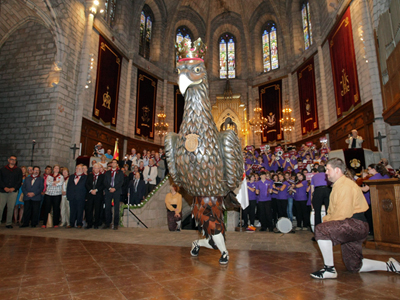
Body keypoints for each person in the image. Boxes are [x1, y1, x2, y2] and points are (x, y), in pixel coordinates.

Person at [311, 158, 400, 279]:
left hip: (355, 223)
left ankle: (329, 269)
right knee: (354, 265)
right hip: (355, 224)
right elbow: (333, 211)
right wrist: (327, 220)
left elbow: (342, 213)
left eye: (328, 169)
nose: (326, 172)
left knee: (321, 230)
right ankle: (389, 266)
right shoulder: (338, 185)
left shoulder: (345, 185)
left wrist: (326, 223)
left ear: (337, 170)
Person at [0, 155, 23, 228]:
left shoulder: (18, 170)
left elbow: (19, 181)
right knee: (0, 207)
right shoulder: (3, 169)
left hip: (13, 191)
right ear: (8, 160)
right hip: (3, 191)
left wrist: (14, 188)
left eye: (15, 160)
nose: (13, 161)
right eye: (12, 159)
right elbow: (0, 180)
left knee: (11, 207)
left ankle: (8, 223)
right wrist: (4, 187)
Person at [103, 159, 124, 230]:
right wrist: (109, 188)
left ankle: (115, 224)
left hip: (116, 191)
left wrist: (114, 188)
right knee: (107, 207)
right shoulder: (107, 172)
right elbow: (105, 181)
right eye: (113, 162)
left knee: (116, 208)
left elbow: (121, 182)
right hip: (108, 191)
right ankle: (107, 223)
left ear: (117, 164)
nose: (113, 163)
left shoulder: (120, 172)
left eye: (115, 162)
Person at [66, 164, 87, 228]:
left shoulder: (85, 177)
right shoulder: (72, 176)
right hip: (72, 196)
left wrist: (86, 197)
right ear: (75, 169)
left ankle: (79, 223)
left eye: (80, 168)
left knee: (80, 210)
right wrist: (68, 195)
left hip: (81, 196)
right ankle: (71, 223)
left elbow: (86, 187)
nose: (79, 170)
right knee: (72, 210)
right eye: (78, 168)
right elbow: (68, 187)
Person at [85, 163, 104, 229]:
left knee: (97, 210)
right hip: (90, 195)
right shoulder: (90, 175)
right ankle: (89, 223)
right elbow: (87, 184)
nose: (96, 169)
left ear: (99, 169)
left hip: (98, 195)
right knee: (89, 209)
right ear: (93, 169)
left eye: (98, 168)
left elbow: (103, 185)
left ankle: (96, 223)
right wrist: (91, 190)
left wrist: (96, 190)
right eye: (95, 168)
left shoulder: (102, 176)